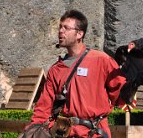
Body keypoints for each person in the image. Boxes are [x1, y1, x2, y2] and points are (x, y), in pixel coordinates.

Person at [26, 9, 127, 138]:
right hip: (65, 133)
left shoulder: (101, 60)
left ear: (79, 34)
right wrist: (32, 130)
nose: (61, 31)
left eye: (66, 28)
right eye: (60, 27)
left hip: (94, 133)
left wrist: (133, 82)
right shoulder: (56, 69)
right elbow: (43, 108)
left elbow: (121, 96)